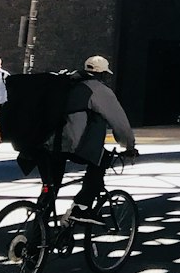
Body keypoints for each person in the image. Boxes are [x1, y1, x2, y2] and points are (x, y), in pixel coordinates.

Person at [35, 55, 137, 224]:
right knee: (101, 160)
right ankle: (81, 207)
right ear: (103, 74)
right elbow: (120, 123)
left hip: (47, 144)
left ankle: (35, 242)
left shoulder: (66, 83)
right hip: (74, 146)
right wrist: (129, 146)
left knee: (50, 190)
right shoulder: (99, 90)